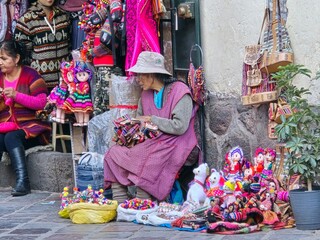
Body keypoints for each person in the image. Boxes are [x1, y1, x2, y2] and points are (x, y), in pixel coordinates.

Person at [104, 51, 198, 202]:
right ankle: (120, 201)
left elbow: (180, 126)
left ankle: (143, 201)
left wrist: (152, 119)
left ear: (152, 74)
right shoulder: (145, 95)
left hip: (176, 142)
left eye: (141, 74)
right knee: (113, 151)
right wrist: (126, 133)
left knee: (146, 158)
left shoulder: (180, 92)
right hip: (152, 140)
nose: (138, 79)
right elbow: (140, 121)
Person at [0, 40, 51, 196]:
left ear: (16, 59)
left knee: (10, 138)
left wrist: (16, 95)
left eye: (4, 58)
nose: (0, 63)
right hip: (5, 127)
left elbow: (42, 103)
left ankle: (23, 181)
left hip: (32, 128)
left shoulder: (31, 75)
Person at [14, 0, 71, 91]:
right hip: (39, 84)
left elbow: (69, 46)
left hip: (64, 83)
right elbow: (23, 55)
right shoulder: (27, 20)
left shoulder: (63, 16)